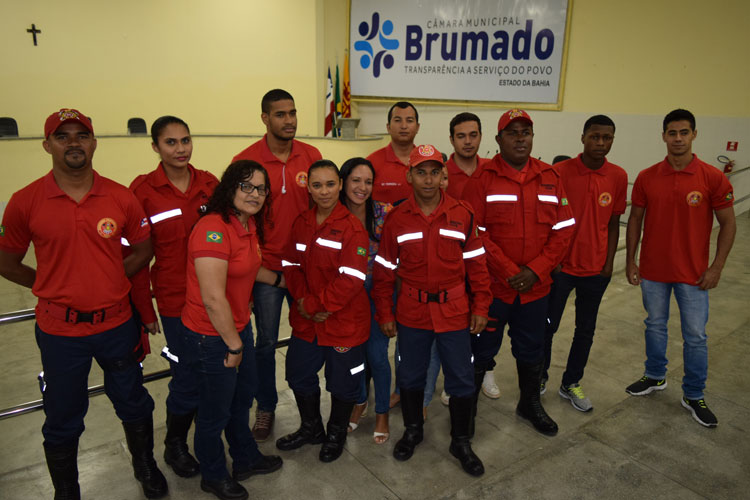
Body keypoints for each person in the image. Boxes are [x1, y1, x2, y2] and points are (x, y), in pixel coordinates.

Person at [0, 108, 167, 499]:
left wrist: (109, 277)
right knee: (62, 418)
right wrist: (45, 283)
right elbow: (6, 261)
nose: (73, 143)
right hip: (60, 333)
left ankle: (145, 466)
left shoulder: (120, 196)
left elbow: (144, 249)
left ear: (94, 143)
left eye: (81, 135)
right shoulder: (26, 201)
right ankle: (67, 491)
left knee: (134, 403)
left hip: (117, 326)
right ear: (47, 145)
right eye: (63, 136)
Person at [372, 145, 491, 476]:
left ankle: (461, 441)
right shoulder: (396, 220)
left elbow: (478, 265)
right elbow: (383, 272)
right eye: (421, 172)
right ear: (409, 176)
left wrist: (481, 304)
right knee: (410, 376)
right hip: (412, 313)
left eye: (434, 172)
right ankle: (413, 431)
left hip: (455, 312)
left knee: (462, 379)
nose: (428, 179)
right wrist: (385, 312)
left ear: (444, 176)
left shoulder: (463, 214)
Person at [462, 109, 575, 437]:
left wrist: (535, 271)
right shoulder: (481, 180)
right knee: (481, 351)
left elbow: (565, 228)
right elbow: (474, 231)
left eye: (526, 131)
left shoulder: (551, 176)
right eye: (512, 132)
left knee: (532, 349)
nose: (520, 138)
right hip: (494, 289)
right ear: (498, 140)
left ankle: (529, 404)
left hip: (536, 290)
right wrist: (511, 271)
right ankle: (467, 413)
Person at [625, 109, 736, 428]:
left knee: (696, 336)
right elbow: (635, 219)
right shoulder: (648, 176)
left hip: (694, 275)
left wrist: (716, 267)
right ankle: (655, 375)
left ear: (694, 135)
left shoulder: (712, 177)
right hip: (653, 272)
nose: (677, 139)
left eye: (683, 133)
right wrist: (631, 260)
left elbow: (728, 224)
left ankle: (693, 393)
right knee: (655, 325)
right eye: (672, 133)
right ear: (663, 136)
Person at [180, 160, 283, 500]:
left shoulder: (247, 224)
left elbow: (248, 269)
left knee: (240, 401)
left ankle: (245, 458)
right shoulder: (213, 227)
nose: (254, 194)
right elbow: (212, 297)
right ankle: (213, 474)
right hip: (213, 337)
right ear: (229, 187)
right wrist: (234, 346)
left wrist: (283, 281)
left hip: (237, 329)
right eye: (246, 186)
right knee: (214, 412)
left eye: (261, 188)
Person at [127, 116, 218, 477]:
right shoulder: (143, 191)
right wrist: (144, 308)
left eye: (185, 140)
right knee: (187, 375)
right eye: (170, 143)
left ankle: (208, 437)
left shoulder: (210, 185)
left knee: (216, 372)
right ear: (155, 147)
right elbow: (135, 257)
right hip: (175, 302)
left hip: (215, 299)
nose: (180, 149)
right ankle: (175, 445)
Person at [232, 89, 322, 442]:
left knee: (307, 335)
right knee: (266, 343)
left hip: (305, 269)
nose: (290, 121)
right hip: (267, 272)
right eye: (281, 114)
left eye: (293, 113)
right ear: (265, 119)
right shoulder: (247, 160)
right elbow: (238, 220)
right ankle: (266, 406)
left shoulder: (311, 155)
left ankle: (309, 411)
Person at [277, 160, 370, 462]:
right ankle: (311, 428)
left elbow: (352, 279)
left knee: (343, 382)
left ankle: (335, 433)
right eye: (316, 185)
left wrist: (317, 305)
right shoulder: (302, 223)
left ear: (340, 185)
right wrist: (303, 300)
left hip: (342, 322)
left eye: (330, 184)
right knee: (298, 374)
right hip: (307, 322)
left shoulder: (352, 229)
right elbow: (290, 264)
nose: (324, 191)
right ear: (308, 187)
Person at [542, 115, 628, 412]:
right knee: (548, 326)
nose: (601, 143)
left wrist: (608, 264)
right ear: (583, 138)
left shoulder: (618, 176)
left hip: (596, 271)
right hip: (561, 269)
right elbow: (547, 221)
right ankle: (539, 377)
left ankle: (571, 382)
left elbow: (615, 222)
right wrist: (552, 261)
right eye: (595, 137)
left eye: (607, 138)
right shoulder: (559, 172)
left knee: (585, 330)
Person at [338, 157, 394, 444]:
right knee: (354, 356)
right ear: (344, 181)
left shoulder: (384, 213)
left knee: (376, 356)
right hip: (345, 294)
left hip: (378, 291)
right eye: (356, 180)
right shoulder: (333, 213)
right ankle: (360, 401)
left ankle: (382, 411)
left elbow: (396, 257)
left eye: (368, 182)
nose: (362, 187)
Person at [445, 112, 499, 401]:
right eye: (461, 136)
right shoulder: (439, 173)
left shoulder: (492, 170)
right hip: (452, 264)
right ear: (451, 138)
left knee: (488, 320)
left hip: (488, 260)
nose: (468, 141)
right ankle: (456, 375)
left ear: (481, 136)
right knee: (457, 324)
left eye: (473, 135)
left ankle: (487, 368)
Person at [367, 101, 420, 204]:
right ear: (388, 127)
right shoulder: (371, 163)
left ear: (417, 127)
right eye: (397, 120)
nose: (404, 126)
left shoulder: (426, 162)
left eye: (409, 120)